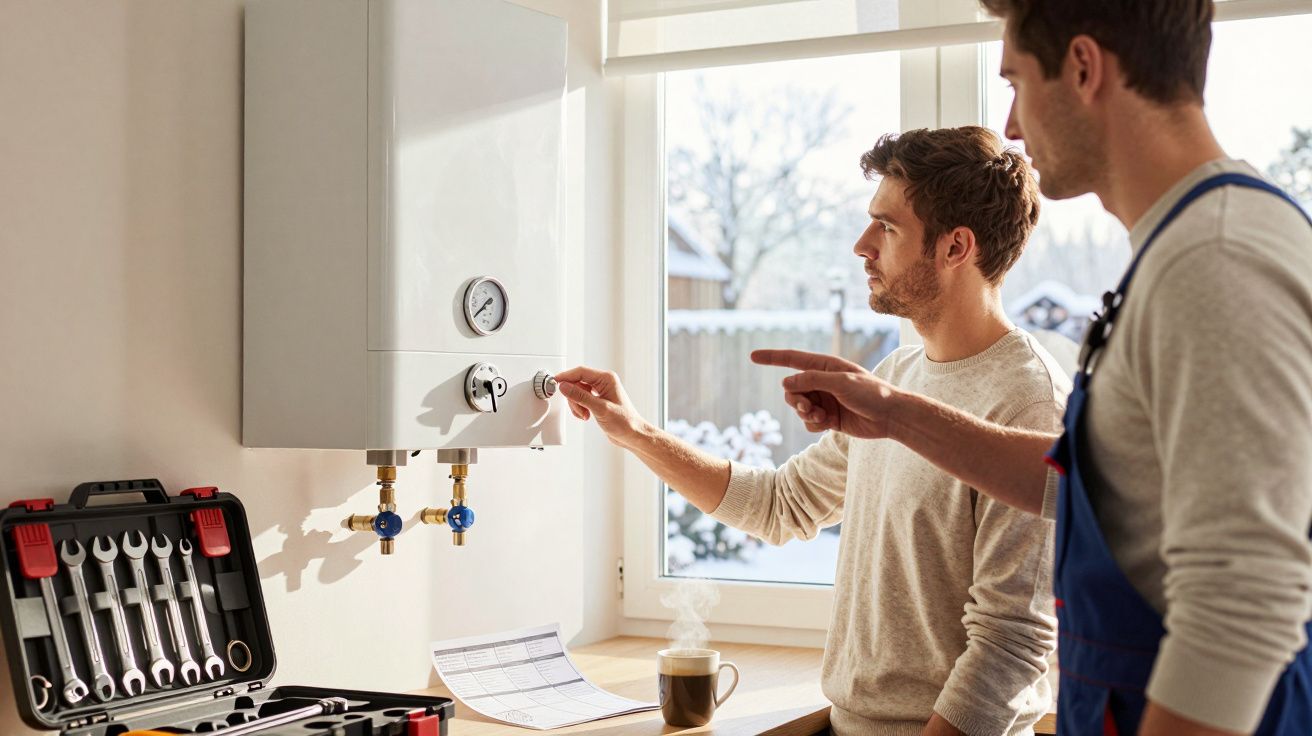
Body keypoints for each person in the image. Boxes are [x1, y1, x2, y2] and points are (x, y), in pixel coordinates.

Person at [754, 2, 1312, 734]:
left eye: (1016, 83)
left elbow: (1240, 605)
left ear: (1083, 68)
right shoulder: (1184, 249)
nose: (1012, 125)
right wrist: (894, 415)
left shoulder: (1214, 263)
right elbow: (1095, 478)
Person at [559, 126, 1070, 735]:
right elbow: (781, 504)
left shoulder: (1031, 404)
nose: (862, 245)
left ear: (956, 247)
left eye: (887, 227)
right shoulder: (898, 375)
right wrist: (635, 432)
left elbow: (1013, 641)